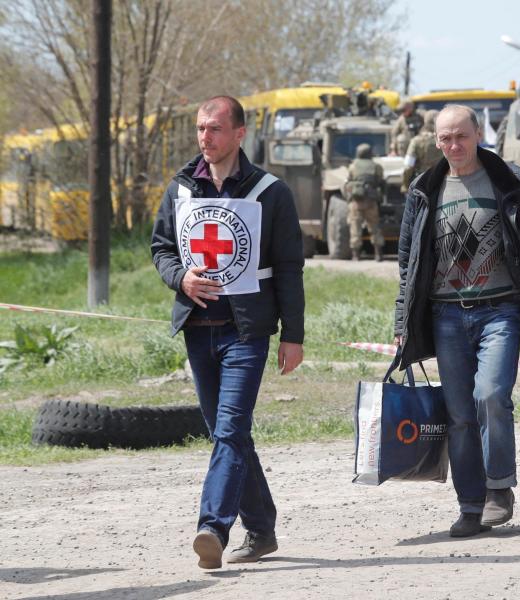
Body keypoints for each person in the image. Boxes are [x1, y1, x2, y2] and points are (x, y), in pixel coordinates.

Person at [393, 104, 520, 537]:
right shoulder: (424, 190)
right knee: (458, 414)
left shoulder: (514, 184)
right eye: (445, 138)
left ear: (478, 135)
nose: (454, 146)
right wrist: (403, 321)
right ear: (436, 141)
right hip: (446, 314)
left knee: (491, 395)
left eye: (461, 136)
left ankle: (498, 489)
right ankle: (470, 506)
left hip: (502, 309)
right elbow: (408, 263)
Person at [151, 95, 305, 569]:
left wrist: (293, 335)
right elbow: (160, 248)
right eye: (200, 128)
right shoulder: (180, 189)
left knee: (231, 429)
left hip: (247, 332)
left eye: (215, 129)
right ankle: (261, 529)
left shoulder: (269, 191)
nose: (205, 137)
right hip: (199, 330)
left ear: (239, 134)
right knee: (227, 433)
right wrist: (181, 278)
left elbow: (289, 268)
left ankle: (212, 527)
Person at [343, 143, 385, 261]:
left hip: (356, 201)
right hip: (371, 201)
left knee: (355, 227)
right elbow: (381, 182)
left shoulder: (353, 166)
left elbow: (347, 183)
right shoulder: (376, 166)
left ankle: (356, 255)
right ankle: (378, 254)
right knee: (374, 226)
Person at [402, 109, 443, 193]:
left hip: (422, 182)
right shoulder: (446, 140)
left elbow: (408, 166)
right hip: (443, 181)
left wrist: (405, 185)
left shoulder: (416, 141)